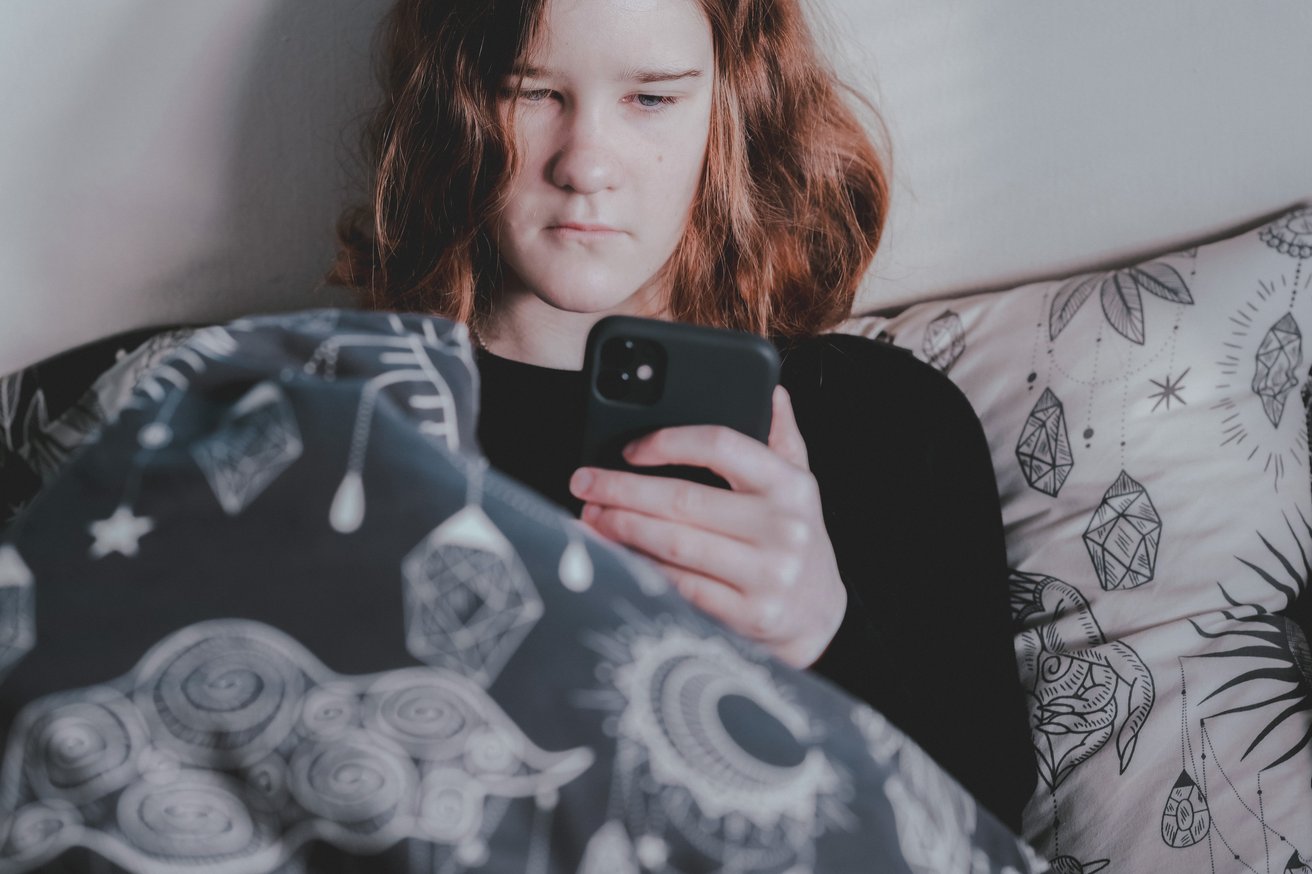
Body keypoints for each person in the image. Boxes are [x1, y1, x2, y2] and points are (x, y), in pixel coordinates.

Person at [330, 0, 1037, 830]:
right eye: (532, 92)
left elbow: (981, 826)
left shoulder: (891, 422)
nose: (585, 166)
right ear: (456, 106)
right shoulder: (346, 419)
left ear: (731, 106)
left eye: (651, 98)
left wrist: (823, 633)